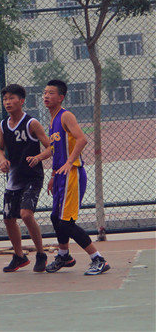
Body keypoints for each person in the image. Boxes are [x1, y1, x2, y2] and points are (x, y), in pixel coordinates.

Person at [29, 80, 110, 275]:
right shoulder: (52, 120)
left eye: (51, 93)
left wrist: (69, 162)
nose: (46, 96)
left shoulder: (66, 116)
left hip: (72, 174)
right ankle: (64, 255)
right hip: (61, 176)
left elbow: (82, 139)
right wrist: (50, 172)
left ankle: (98, 259)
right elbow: (55, 150)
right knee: (55, 218)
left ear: (61, 97)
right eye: (45, 92)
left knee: (66, 222)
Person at [0, 85, 50, 273]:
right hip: (14, 177)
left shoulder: (31, 123)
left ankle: (41, 254)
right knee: (9, 219)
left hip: (33, 177)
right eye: (5, 99)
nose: (7, 102)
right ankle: (19, 256)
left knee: (26, 214)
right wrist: (2, 160)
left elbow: (50, 147)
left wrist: (39, 157)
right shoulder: (4, 125)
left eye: (11, 98)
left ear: (21, 101)